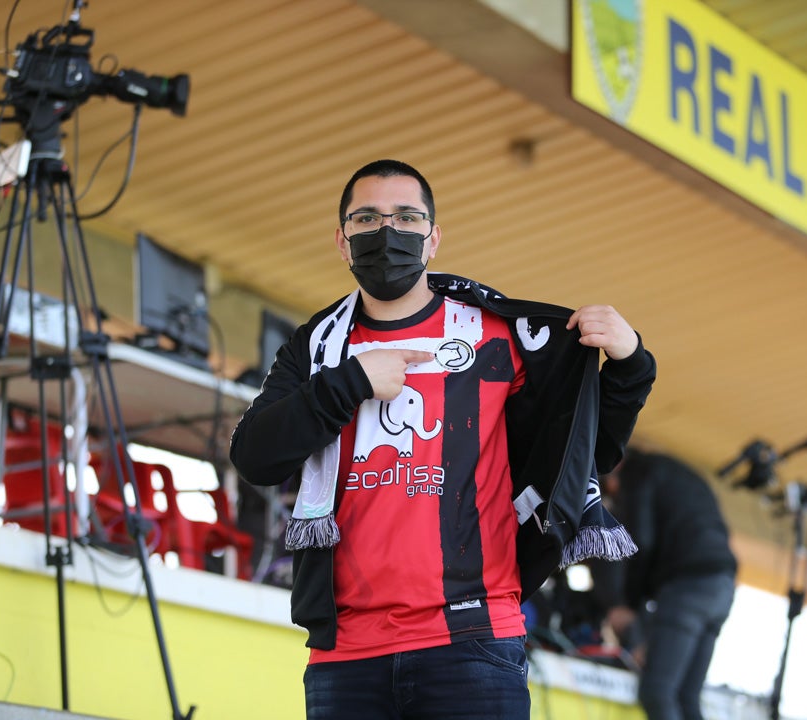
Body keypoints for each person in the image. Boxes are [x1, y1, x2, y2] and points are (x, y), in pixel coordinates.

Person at [228, 159, 657, 719]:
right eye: (367, 219)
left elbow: (582, 450)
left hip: (473, 641)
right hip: (344, 656)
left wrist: (631, 366)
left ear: (433, 238)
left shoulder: (499, 334)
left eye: (407, 218)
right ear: (341, 240)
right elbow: (254, 455)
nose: (388, 233)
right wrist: (352, 381)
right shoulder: (316, 346)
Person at [589, 447, 738, 720]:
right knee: (686, 696)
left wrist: (627, 606)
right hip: (723, 586)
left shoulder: (640, 475)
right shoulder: (672, 471)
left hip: (689, 586)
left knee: (657, 692)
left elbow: (639, 543)